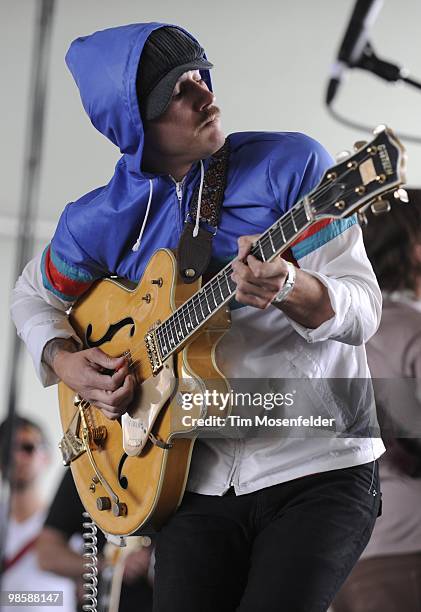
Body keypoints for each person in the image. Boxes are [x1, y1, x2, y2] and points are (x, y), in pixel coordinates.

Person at [10, 23, 385, 611]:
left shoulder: (293, 165)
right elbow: (31, 297)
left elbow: (363, 310)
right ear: (134, 128)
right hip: (190, 481)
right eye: (175, 96)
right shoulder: (99, 220)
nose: (204, 95)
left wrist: (290, 284)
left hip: (318, 464)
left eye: (198, 75)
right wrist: (64, 360)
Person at [332, 190, 421, 612]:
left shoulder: (333, 334)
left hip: (344, 556)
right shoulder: (413, 330)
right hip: (410, 551)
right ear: (416, 247)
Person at [37, 468, 153, 612]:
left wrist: (153, 562)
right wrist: (108, 565)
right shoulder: (83, 468)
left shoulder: (164, 466)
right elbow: (47, 556)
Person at [0, 416, 77, 612]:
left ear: (47, 457)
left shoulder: (65, 525)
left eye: (27, 447)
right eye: (8, 447)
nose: (16, 457)